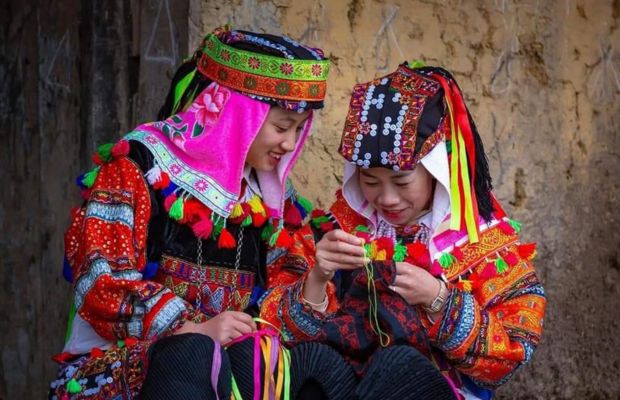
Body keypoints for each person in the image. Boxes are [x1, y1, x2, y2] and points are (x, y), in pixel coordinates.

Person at [49, 26, 356, 400]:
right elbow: (101, 282)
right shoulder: (138, 166)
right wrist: (196, 328)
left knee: (311, 365)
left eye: (298, 129)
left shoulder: (272, 196)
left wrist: (317, 277)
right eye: (280, 127)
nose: (290, 144)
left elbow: (280, 309)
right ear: (238, 116)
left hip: (227, 364)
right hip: (125, 366)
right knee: (195, 354)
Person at [260, 63, 546, 399]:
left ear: (436, 171)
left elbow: (514, 350)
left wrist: (438, 299)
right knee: (314, 364)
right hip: (347, 385)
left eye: (401, 181)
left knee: (398, 367)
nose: (387, 198)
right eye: (370, 181)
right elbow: (272, 329)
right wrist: (318, 278)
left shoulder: (482, 243)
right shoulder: (335, 231)